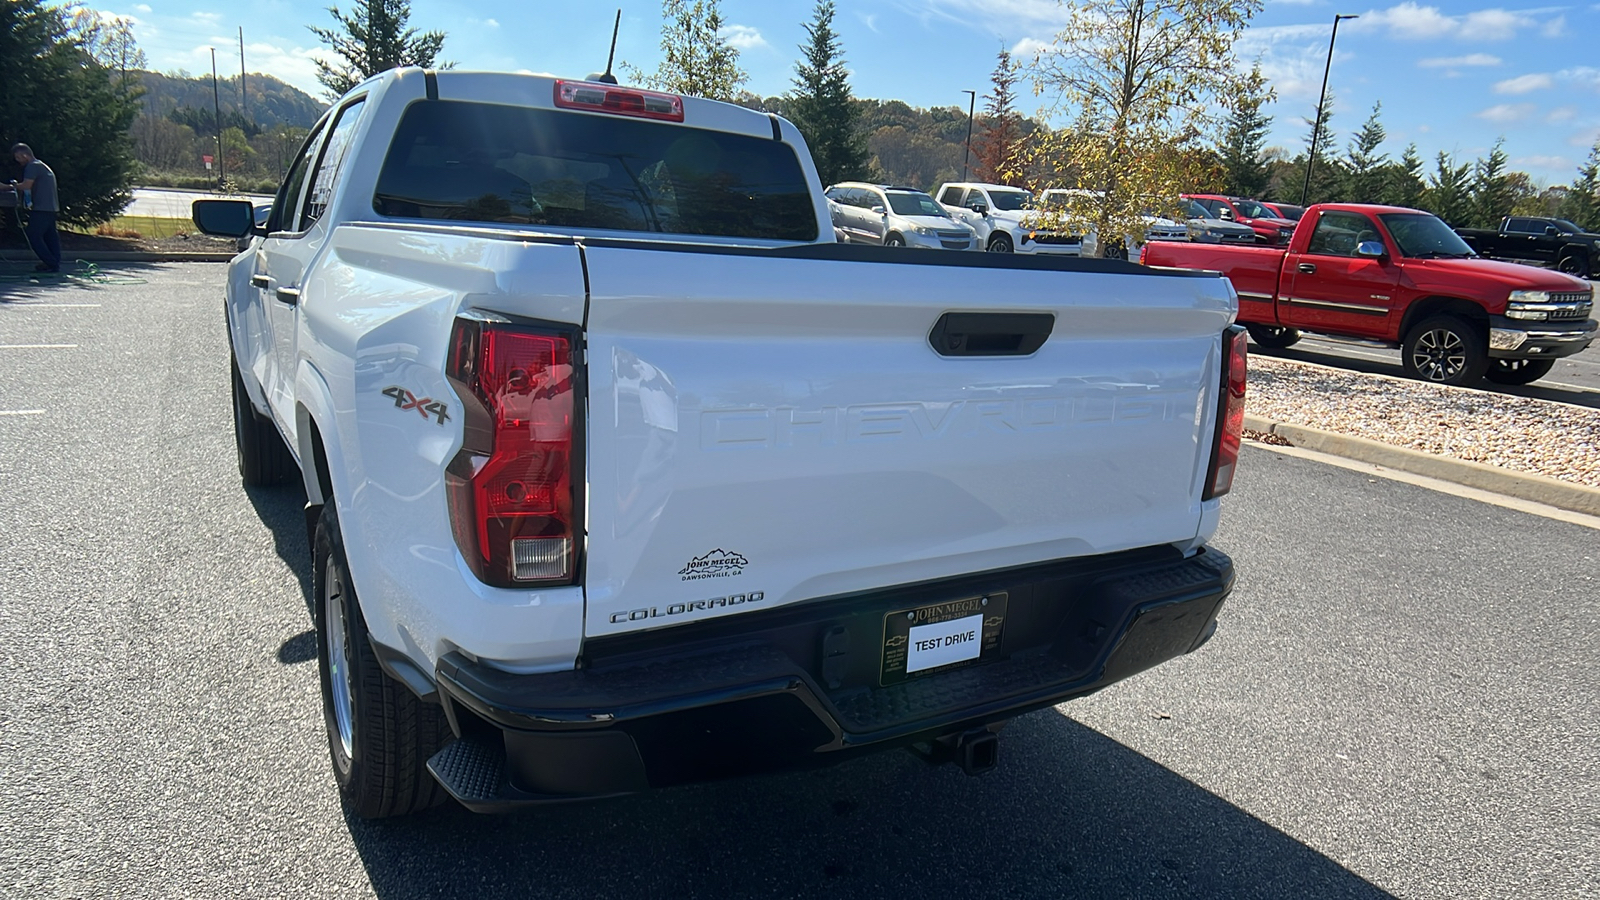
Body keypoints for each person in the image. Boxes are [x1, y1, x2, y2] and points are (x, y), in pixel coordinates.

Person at [10, 143, 61, 273]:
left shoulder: (32, 167)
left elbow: (27, 185)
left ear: (25, 155)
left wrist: (10, 186)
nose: (18, 160)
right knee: (50, 237)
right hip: (51, 207)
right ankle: (53, 263)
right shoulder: (42, 165)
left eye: (18, 157)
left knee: (33, 235)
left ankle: (50, 262)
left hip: (41, 208)